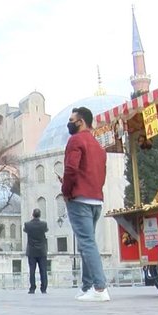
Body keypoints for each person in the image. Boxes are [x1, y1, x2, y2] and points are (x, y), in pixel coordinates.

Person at [61, 107, 110, 302]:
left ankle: (99, 288)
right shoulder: (98, 145)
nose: (70, 123)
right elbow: (101, 174)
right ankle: (88, 285)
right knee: (87, 243)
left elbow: (71, 168)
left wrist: (66, 191)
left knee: (87, 243)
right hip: (95, 199)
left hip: (79, 199)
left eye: (72, 120)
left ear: (80, 121)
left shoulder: (76, 140)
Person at [24, 208, 49, 294]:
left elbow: (25, 230)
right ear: (40, 215)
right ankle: (44, 288)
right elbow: (46, 230)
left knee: (32, 270)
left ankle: (32, 288)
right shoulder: (44, 224)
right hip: (42, 250)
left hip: (31, 250)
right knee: (43, 270)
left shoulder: (27, 225)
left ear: (33, 214)